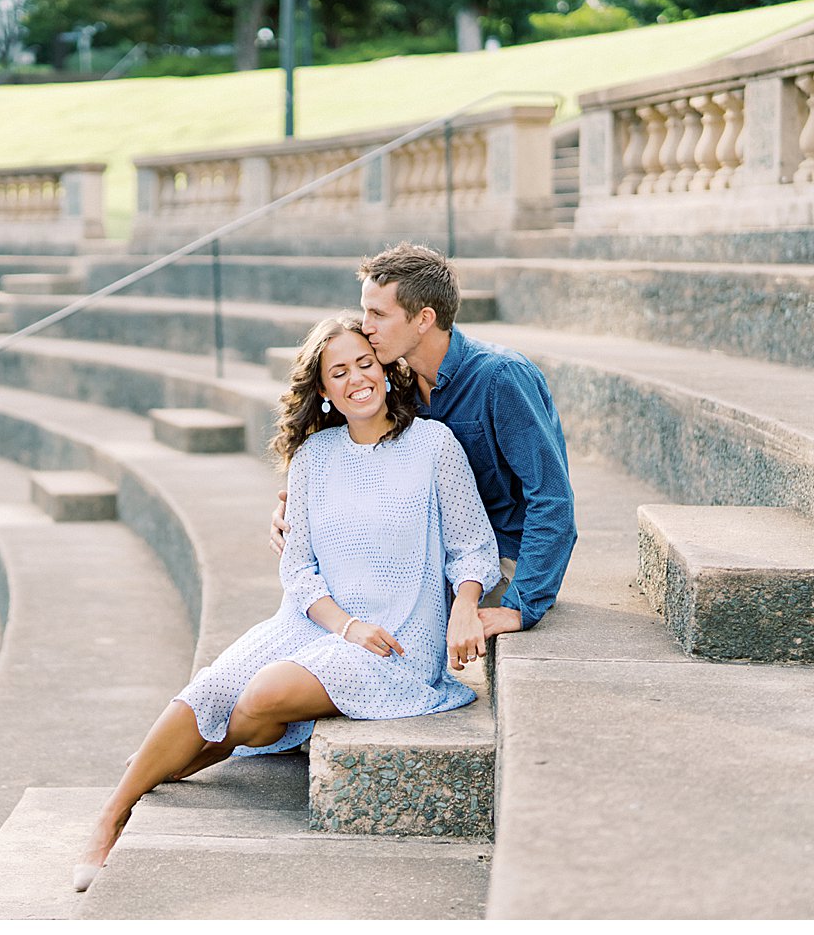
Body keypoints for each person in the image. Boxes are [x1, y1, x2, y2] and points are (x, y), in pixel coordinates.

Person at [73, 315, 500, 892]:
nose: (356, 380)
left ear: (385, 369)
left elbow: (472, 544)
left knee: (263, 694)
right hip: (317, 623)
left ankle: (179, 762)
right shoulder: (313, 459)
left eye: (365, 364)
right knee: (213, 687)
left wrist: (464, 606)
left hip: (399, 639)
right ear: (323, 390)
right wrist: (343, 625)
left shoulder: (432, 444)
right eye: (339, 372)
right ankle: (112, 814)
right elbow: (297, 571)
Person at [271, 242, 577, 637]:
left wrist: (521, 608)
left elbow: (552, 500)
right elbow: (347, 462)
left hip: (492, 560)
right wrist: (296, 517)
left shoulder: (501, 379)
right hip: (415, 554)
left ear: (423, 319)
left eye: (378, 314)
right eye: (365, 311)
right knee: (314, 605)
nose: (366, 326)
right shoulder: (396, 385)